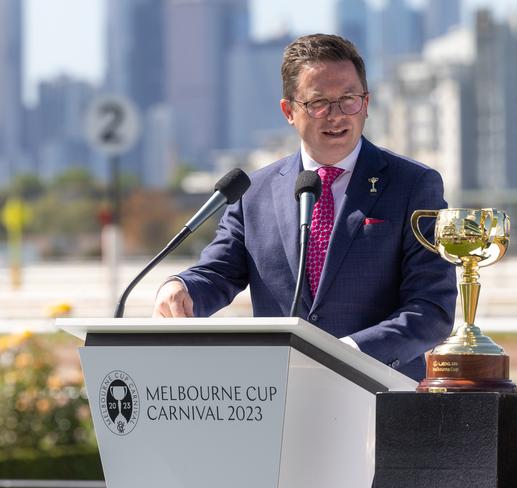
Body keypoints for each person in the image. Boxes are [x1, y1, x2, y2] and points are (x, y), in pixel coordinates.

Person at [154, 34, 457, 381]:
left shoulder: (413, 185)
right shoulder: (254, 193)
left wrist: (347, 355)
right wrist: (181, 287)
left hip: (380, 397)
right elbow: (218, 272)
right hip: (280, 397)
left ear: (367, 102)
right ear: (288, 111)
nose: (337, 115)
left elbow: (432, 310)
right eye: (319, 103)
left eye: (348, 100)